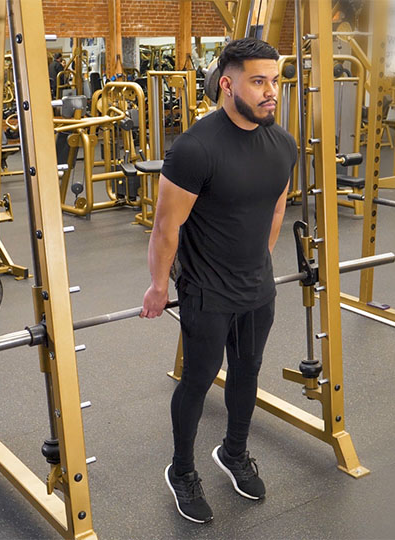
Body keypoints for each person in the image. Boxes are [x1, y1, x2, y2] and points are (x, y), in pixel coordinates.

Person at [139, 37, 296, 524]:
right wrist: (159, 286)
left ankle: (233, 451)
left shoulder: (283, 144)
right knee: (198, 379)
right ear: (227, 85)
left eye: (274, 81)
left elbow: (277, 209)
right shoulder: (195, 148)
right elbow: (166, 227)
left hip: (257, 289)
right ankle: (182, 470)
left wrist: (260, 261)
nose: (271, 91)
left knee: (247, 372)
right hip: (206, 292)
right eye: (258, 81)